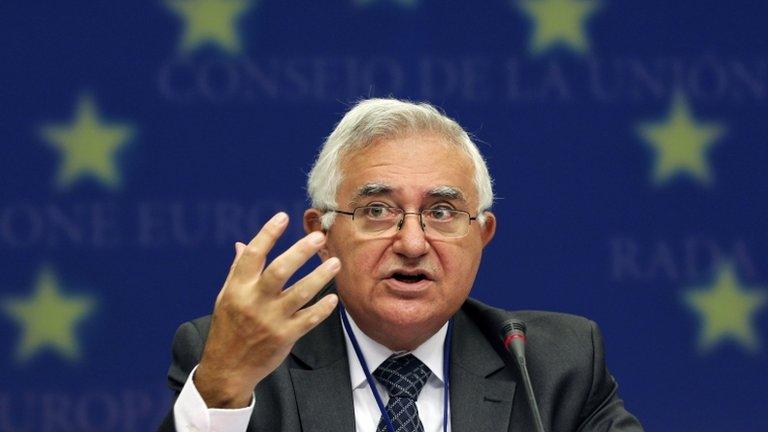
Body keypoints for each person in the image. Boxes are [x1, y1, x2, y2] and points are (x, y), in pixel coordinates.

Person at [159, 99, 644, 432]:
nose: (413, 243)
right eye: (376, 211)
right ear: (322, 234)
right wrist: (222, 385)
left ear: (481, 235)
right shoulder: (241, 363)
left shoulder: (555, 367)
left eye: (441, 212)